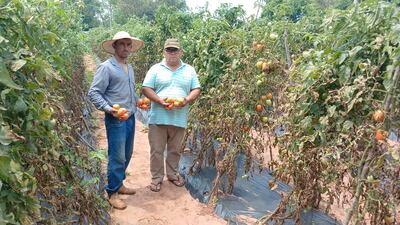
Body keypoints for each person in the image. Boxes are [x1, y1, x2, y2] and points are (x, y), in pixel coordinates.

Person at [88, 31, 144, 209]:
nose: (126, 48)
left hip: (130, 116)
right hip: (116, 119)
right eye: (122, 44)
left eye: (129, 45)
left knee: (127, 153)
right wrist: (108, 108)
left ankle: (119, 184)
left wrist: (138, 101)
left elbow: (129, 91)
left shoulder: (130, 67)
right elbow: (94, 93)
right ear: (114, 46)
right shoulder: (106, 67)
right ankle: (111, 192)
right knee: (117, 156)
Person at [142, 38, 201, 192]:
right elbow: (146, 88)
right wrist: (159, 101)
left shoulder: (189, 70)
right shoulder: (155, 69)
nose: (172, 53)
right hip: (158, 118)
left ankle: (172, 174)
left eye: (175, 50)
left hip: (179, 118)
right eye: (169, 50)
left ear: (180, 52)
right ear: (164, 52)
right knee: (157, 150)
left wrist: (186, 100)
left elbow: (196, 89)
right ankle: (156, 178)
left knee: (175, 150)